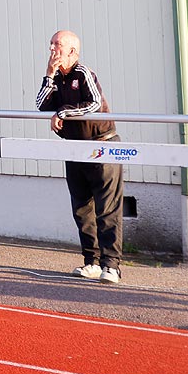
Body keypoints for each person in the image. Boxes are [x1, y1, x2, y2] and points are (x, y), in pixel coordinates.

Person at [36, 30, 123, 283]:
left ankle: (112, 266)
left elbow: (94, 103)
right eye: (51, 44)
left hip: (101, 145)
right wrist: (49, 75)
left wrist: (62, 112)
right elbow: (41, 104)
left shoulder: (83, 73)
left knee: (106, 208)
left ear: (72, 51)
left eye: (57, 45)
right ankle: (91, 262)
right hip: (74, 147)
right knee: (82, 209)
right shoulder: (57, 77)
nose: (52, 49)